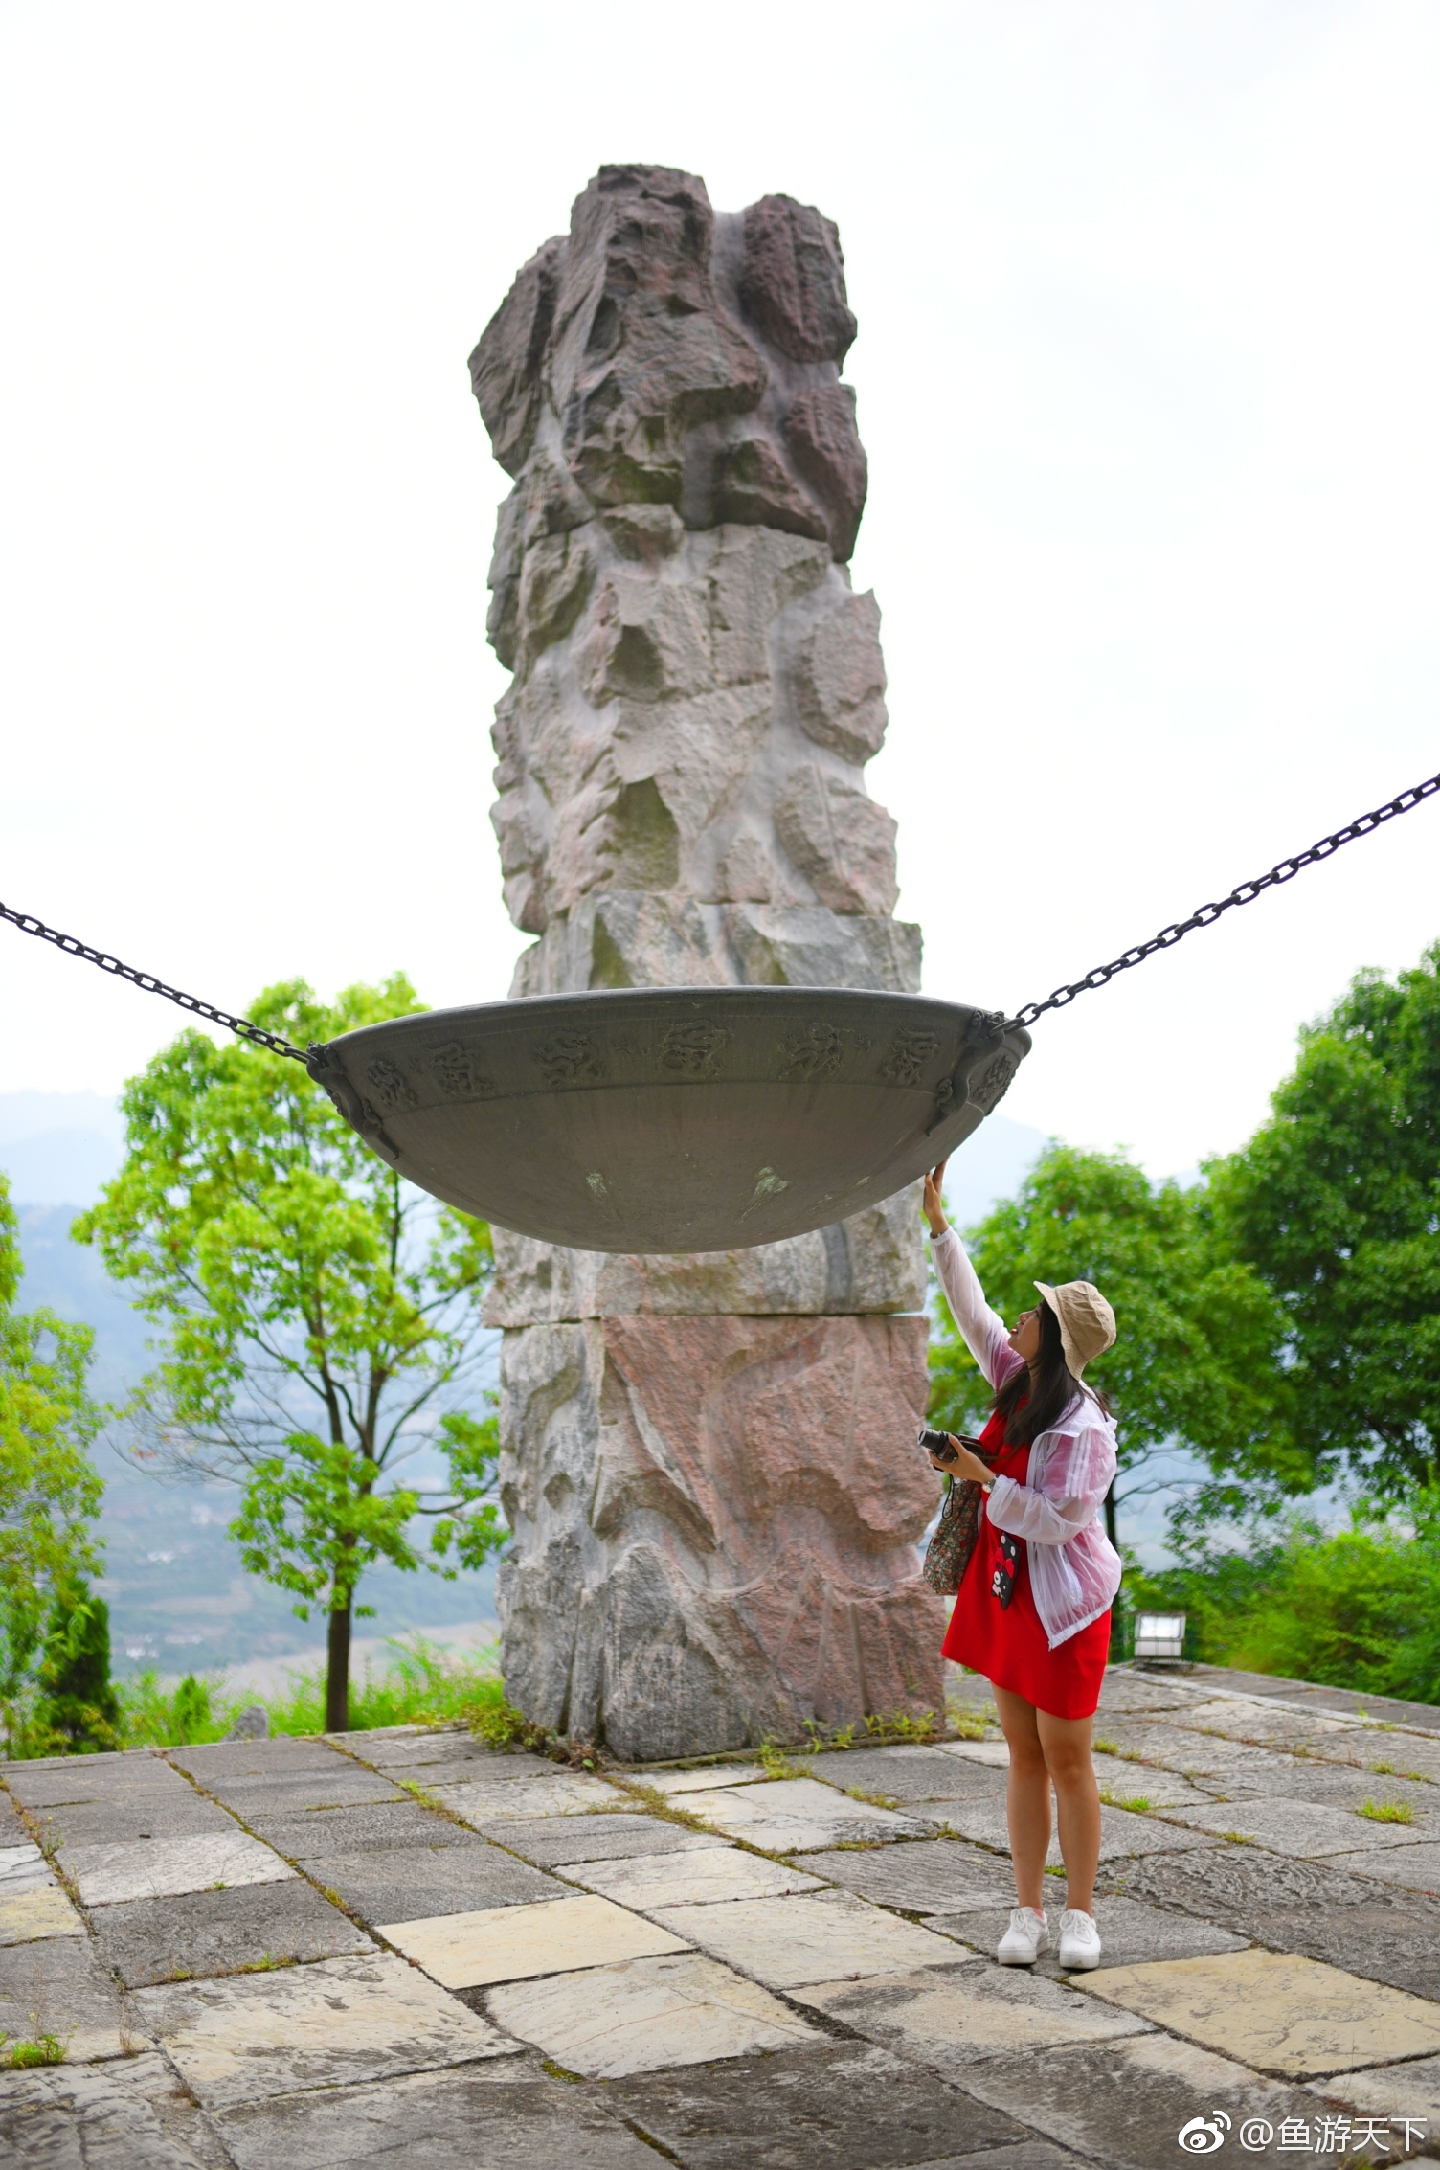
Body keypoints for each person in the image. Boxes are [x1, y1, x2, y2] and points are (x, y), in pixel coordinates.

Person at [922, 1159, 1121, 1971]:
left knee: (1067, 1758)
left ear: (1056, 1335)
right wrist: (940, 1226)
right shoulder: (1018, 1385)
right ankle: (1027, 1910)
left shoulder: (1084, 1429)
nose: (1013, 1320)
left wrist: (980, 1475)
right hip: (1007, 1595)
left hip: (1065, 1606)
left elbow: (1058, 1522)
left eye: (1030, 1314)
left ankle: (1079, 1916)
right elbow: (971, 1313)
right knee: (1022, 1754)